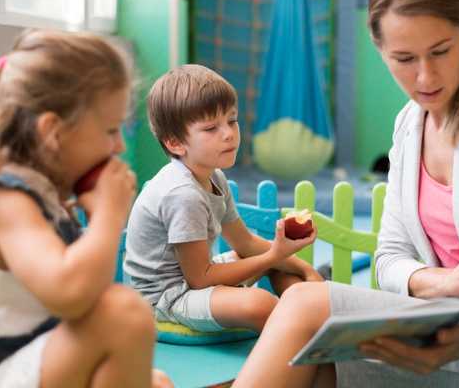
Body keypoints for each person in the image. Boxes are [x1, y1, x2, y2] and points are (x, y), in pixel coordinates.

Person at [234, 0, 459, 387]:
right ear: (379, 48)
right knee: (313, 362)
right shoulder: (409, 125)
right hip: (442, 329)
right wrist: (445, 281)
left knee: (305, 305)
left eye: (440, 51)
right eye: (405, 59)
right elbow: (390, 258)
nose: (426, 77)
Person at [0, 29, 172, 388]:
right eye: (111, 130)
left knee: (155, 380)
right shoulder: (6, 201)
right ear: (53, 131)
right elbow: (70, 295)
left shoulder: (44, 198)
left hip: (21, 364)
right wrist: (109, 215)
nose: (119, 146)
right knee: (123, 315)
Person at [124, 64, 322, 334]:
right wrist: (273, 255)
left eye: (232, 120)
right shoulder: (182, 194)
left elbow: (246, 243)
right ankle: (301, 325)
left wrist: (304, 269)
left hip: (198, 278)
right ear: (175, 143)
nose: (229, 134)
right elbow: (200, 278)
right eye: (210, 128)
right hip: (167, 297)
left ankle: (306, 306)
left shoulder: (214, 176)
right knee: (260, 303)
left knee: (276, 264)